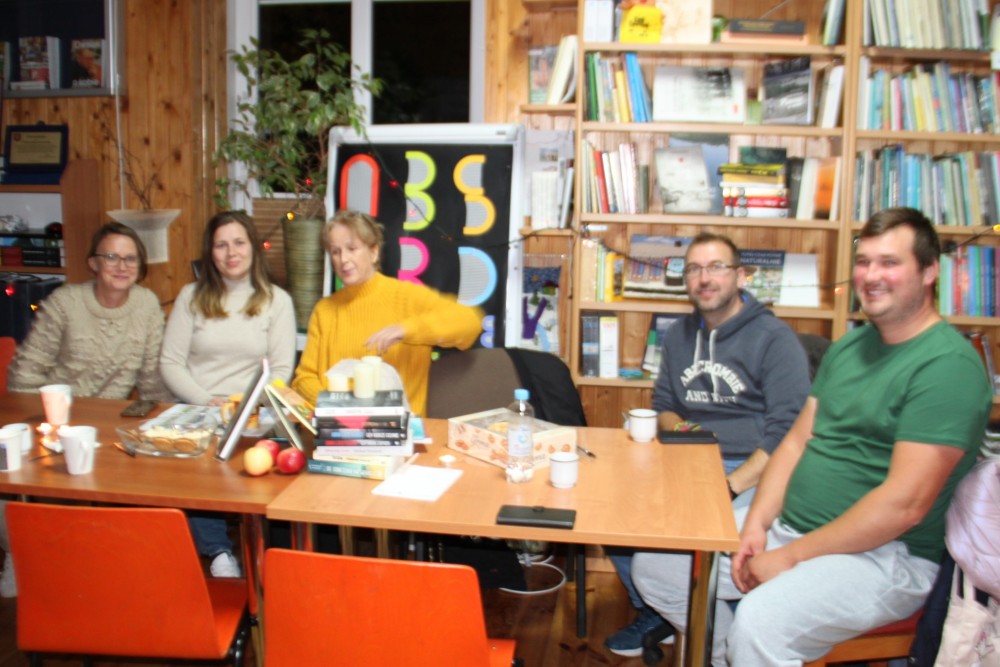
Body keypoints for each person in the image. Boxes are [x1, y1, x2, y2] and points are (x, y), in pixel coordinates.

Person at [632, 208, 993, 665]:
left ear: (928, 272)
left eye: (889, 262)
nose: (871, 276)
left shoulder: (947, 367)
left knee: (760, 622)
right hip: (791, 528)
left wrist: (790, 557)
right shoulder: (850, 348)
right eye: (863, 262)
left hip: (884, 557)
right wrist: (757, 523)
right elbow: (795, 443)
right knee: (659, 568)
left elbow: (904, 506)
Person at [604, 232, 812, 657]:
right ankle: (659, 611)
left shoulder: (775, 339)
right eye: (695, 269)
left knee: (686, 552)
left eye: (717, 267)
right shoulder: (679, 334)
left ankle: (724, 649)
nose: (705, 278)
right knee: (614, 513)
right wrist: (689, 436)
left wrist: (730, 485)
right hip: (692, 458)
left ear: (740, 275)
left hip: (757, 472)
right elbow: (664, 407)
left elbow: (787, 433)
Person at [5, 221, 171, 597]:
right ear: (93, 263)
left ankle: (100, 573)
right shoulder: (66, 302)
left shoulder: (146, 304)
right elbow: (25, 373)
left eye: (130, 258)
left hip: (109, 427)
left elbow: (152, 380)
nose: (121, 266)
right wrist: (40, 428)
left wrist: (167, 423)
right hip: (56, 423)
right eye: (111, 256)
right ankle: (22, 552)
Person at [160, 210, 296, 577]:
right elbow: (170, 363)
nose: (231, 252)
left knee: (268, 464)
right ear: (210, 252)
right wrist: (207, 401)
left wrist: (246, 404)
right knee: (197, 468)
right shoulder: (191, 296)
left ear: (253, 247)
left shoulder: (277, 301)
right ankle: (219, 552)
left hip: (256, 411)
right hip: (199, 407)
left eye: (238, 242)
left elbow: (281, 372)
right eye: (221, 245)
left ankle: (273, 559)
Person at [292, 209, 482, 417]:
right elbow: (304, 378)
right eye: (335, 252)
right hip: (336, 427)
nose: (343, 259)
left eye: (352, 249)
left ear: (373, 252)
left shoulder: (405, 297)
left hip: (399, 430)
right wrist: (336, 407)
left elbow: (470, 323)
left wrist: (408, 329)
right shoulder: (324, 310)